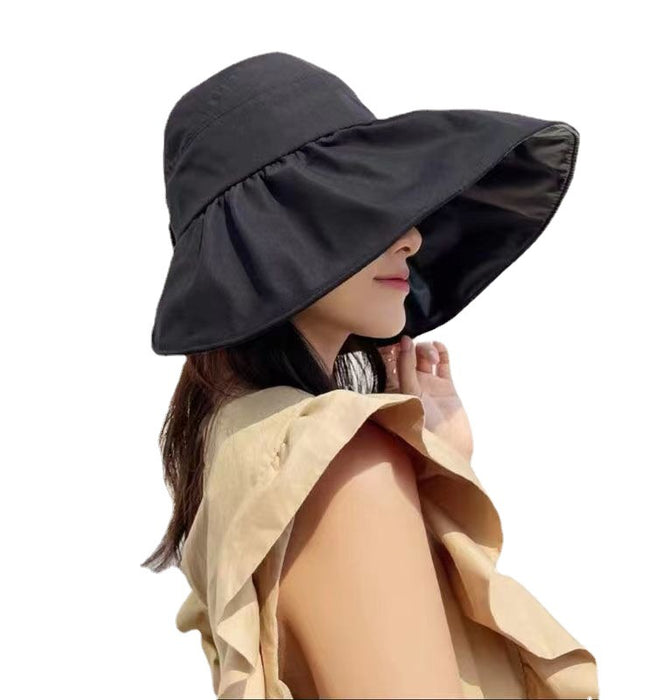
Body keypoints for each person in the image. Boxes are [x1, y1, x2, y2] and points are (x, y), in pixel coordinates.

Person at [142, 52, 599, 698]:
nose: (410, 238)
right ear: (275, 238)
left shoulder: (243, 441)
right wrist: (386, 471)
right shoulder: (342, 466)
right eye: (361, 208)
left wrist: (435, 466)